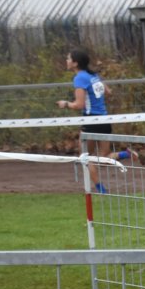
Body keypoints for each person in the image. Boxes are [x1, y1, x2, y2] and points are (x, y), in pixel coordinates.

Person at [57, 48, 112, 193]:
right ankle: (126, 154)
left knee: (85, 158)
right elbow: (108, 92)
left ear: (75, 63)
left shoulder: (80, 78)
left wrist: (65, 104)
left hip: (91, 121)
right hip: (105, 119)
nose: (66, 61)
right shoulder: (94, 75)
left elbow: (79, 104)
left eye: (69, 58)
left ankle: (101, 189)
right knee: (104, 158)